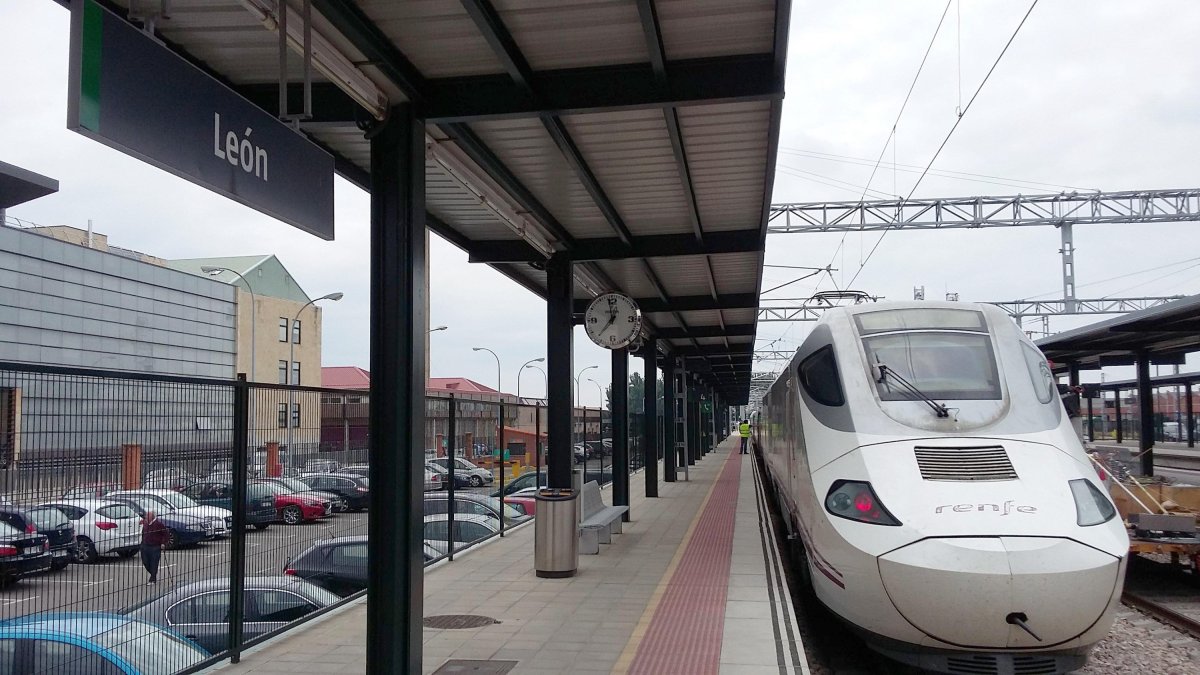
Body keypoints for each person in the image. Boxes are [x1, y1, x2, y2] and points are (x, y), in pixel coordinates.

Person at [140, 510, 170, 584]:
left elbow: (165, 534)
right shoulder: (146, 524)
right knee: (145, 561)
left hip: (155, 546)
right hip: (145, 545)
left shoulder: (159, 524)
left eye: (148, 515)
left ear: (152, 516)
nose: (146, 516)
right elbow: (143, 533)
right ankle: (153, 573)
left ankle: (153, 578)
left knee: (154, 562)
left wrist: (163, 543)